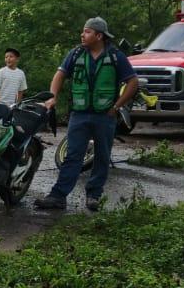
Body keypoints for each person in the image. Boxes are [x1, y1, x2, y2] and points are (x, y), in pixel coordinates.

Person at [35, 17, 139, 213]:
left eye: (87, 32)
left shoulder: (116, 56)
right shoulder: (75, 54)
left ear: (99, 35)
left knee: (102, 156)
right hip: (80, 114)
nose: (82, 35)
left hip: (105, 116)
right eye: (83, 31)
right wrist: (52, 97)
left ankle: (93, 195)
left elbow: (133, 82)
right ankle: (58, 196)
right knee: (73, 155)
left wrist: (117, 106)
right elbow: (60, 74)